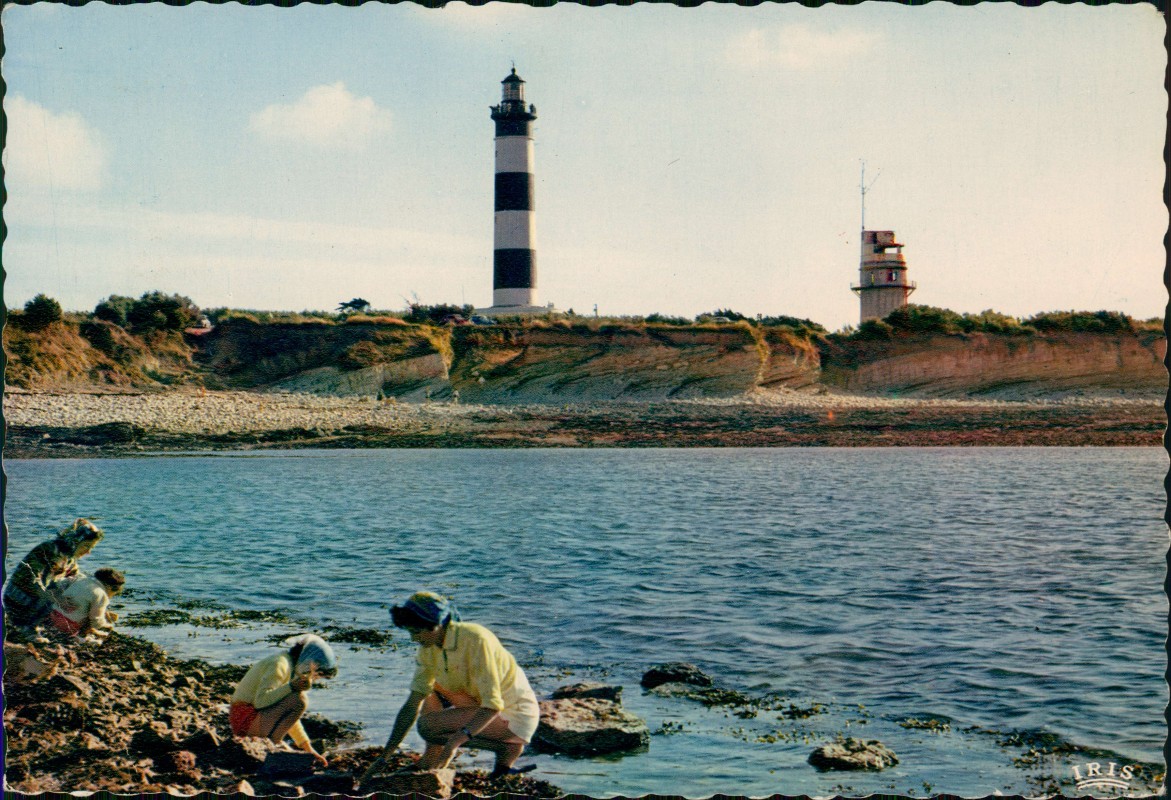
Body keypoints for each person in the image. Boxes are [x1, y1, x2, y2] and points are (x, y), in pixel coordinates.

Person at [359, 592, 539, 786]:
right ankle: (430, 760)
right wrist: (383, 758)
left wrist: (454, 743)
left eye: (417, 632)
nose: (413, 639)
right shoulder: (428, 649)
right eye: (410, 632)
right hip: (482, 708)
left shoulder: (476, 639)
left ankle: (507, 749)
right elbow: (412, 704)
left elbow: (493, 704)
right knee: (428, 690)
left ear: (436, 625)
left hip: (514, 714)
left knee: (428, 728)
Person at [229, 634, 337, 767]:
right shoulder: (279, 664)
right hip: (245, 718)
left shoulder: (289, 666)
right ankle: (273, 746)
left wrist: (307, 747)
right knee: (300, 699)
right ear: (308, 662)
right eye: (315, 674)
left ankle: (274, 744)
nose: (314, 678)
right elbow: (261, 701)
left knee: (297, 699)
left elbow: (287, 713)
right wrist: (291, 687)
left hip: (250, 719)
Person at [4, 519, 104, 633]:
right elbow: (30, 580)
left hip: (38, 598)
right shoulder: (50, 549)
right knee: (60, 598)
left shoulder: (69, 558)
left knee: (76, 590)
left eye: (91, 548)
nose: (88, 552)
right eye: (86, 546)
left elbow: (79, 582)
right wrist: (56, 598)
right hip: (19, 599)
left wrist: (98, 606)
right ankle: (27, 628)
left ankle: (37, 626)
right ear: (75, 541)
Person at [48, 567, 125, 639]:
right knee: (93, 617)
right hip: (68, 625)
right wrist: (107, 625)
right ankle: (82, 636)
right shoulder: (101, 594)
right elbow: (96, 621)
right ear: (111, 588)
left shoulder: (81, 579)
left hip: (52, 615)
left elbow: (58, 584)